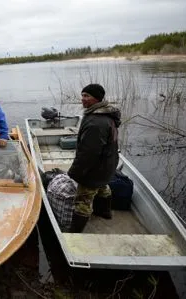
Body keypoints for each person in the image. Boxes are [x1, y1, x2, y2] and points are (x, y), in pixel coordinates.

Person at [67, 83, 121, 233]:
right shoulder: (105, 115)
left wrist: (74, 173)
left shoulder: (95, 122)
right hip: (108, 165)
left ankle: (75, 233)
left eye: (87, 96)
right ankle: (105, 212)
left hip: (95, 168)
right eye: (82, 95)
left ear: (97, 98)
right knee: (103, 186)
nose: (83, 99)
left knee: (83, 200)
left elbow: (88, 154)